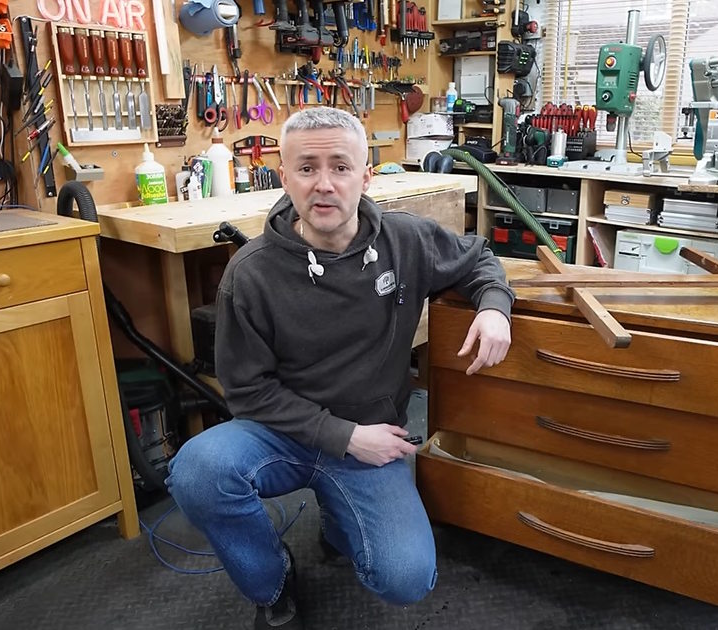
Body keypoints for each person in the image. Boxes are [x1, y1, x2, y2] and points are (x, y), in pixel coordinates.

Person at [166, 106, 514, 630]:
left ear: (366, 176)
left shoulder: (405, 240)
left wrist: (494, 307)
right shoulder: (250, 273)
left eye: (340, 167)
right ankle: (272, 581)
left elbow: (478, 258)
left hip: (372, 437)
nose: (324, 184)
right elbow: (247, 392)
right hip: (281, 434)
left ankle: (338, 521)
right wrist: (344, 436)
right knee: (198, 471)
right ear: (284, 177)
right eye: (307, 168)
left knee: (405, 578)